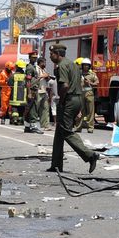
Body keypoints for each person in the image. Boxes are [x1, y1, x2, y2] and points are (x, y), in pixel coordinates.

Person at [47, 44, 98, 174]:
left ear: (58, 54)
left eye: (51, 54)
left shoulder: (62, 66)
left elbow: (64, 86)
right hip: (77, 98)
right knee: (59, 132)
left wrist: (62, 101)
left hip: (69, 99)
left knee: (66, 130)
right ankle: (56, 165)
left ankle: (89, 155)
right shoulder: (73, 64)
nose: (50, 56)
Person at [76, 58, 99, 133]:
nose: (86, 67)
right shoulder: (79, 74)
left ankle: (90, 128)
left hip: (89, 94)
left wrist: (90, 83)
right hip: (80, 94)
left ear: (89, 66)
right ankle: (78, 127)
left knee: (90, 112)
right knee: (80, 111)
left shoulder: (92, 75)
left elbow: (97, 83)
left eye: (87, 65)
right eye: (84, 65)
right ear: (82, 66)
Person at [37, 57, 52, 130]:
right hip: (38, 91)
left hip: (44, 91)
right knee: (35, 108)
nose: (45, 64)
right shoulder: (36, 69)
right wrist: (43, 76)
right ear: (40, 63)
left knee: (45, 108)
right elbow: (35, 78)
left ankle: (46, 125)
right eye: (44, 62)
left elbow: (47, 79)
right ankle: (30, 123)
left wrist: (48, 77)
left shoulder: (44, 70)